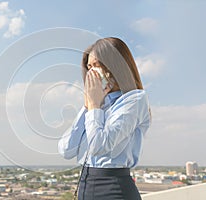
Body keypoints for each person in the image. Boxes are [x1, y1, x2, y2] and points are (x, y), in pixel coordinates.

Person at [58, 37, 151, 200]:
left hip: (114, 189)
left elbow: (99, 145)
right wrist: (88, 107)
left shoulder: (134, 100)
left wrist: (94, 106)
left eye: (97, 65)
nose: (91, 73)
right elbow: (66, 149)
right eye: (89, 67)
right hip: (86, 186)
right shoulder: (97, 105)